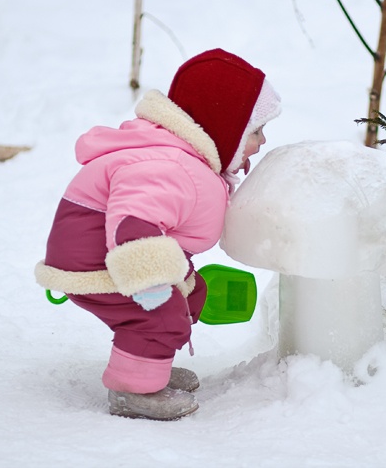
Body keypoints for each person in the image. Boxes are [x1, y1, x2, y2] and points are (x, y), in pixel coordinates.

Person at [34, 49, 281, 420]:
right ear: (225, 126)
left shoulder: (185, 162)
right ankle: (133, 390)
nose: (261, 142)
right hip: (104, 258)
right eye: (255, 131)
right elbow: (134, 221)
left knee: (188, 297)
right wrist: (149, 282)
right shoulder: (168, 166)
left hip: (119, 252)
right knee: (159, 316)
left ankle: (150, 365)